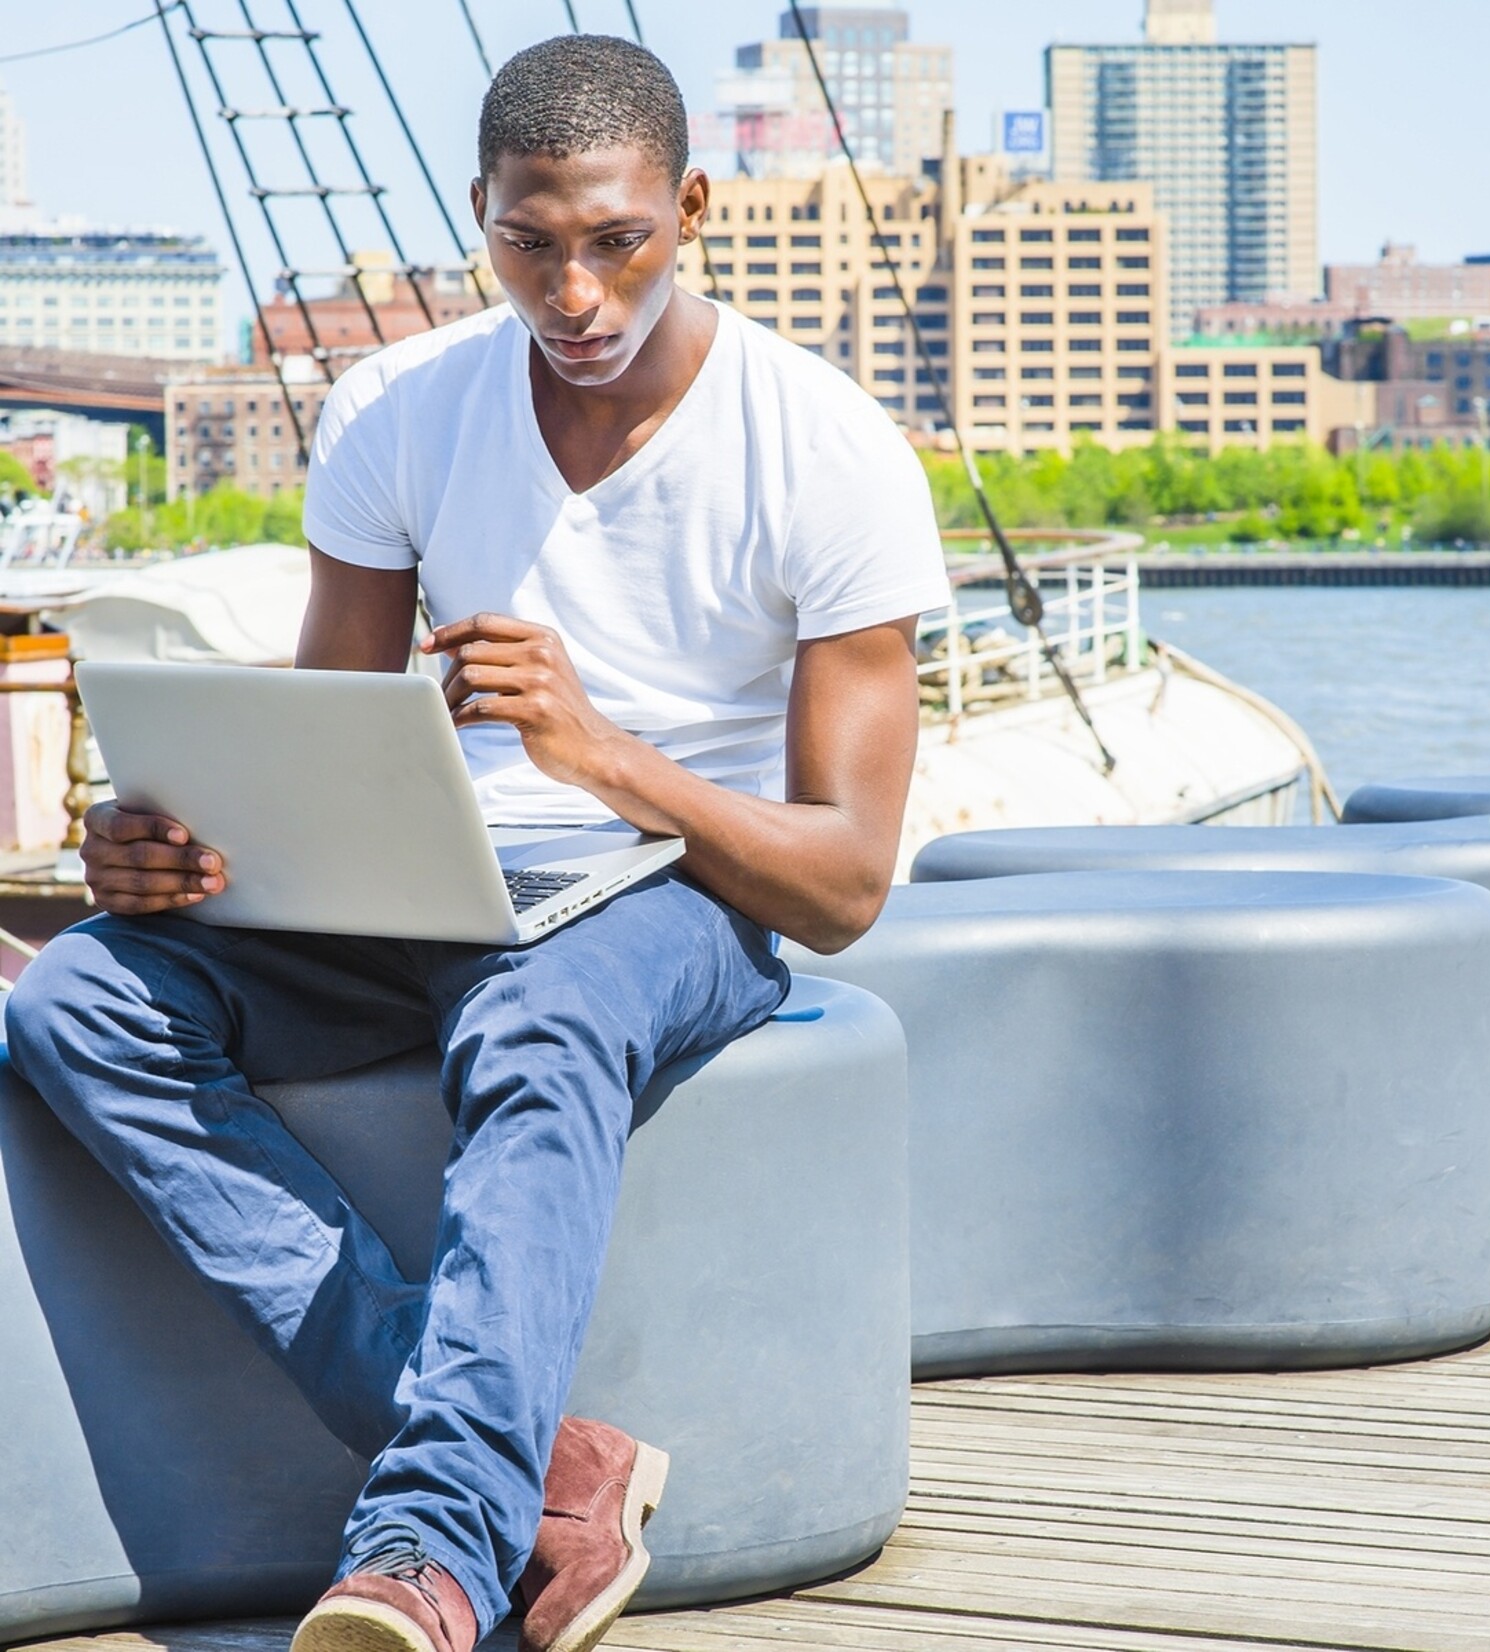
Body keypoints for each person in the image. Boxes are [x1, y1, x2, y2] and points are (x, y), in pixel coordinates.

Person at [3, 33, 948, 1652]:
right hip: (431, 880)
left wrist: (603, 756)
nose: (573, 293)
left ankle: (431, 1554)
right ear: (482, 215)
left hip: (676, 890)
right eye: (530, 242)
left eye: (617, 241)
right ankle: (543, 1469)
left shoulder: (826, 447)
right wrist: (170, 849)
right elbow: (325, 746)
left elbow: (846, 881)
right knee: (81, 997)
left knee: (538, 1005)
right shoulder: (398, 410)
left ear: (690, 210)